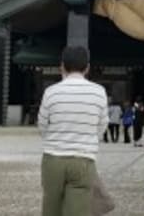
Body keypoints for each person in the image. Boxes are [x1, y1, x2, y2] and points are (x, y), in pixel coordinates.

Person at [38, 46, 108, 216]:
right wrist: (88, 139)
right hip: (83, 159)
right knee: (78, 210)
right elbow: (102, 125)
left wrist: (55, 138)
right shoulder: (99, 92)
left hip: (53, 158)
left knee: (51, 207)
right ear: (87, 67)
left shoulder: (51, 92)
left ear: (62, 66)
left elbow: (42, 125)